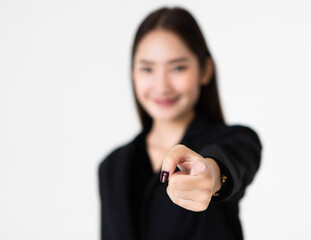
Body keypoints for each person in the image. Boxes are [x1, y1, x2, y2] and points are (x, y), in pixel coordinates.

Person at [98, 6, 262, 240]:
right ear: (133, 74)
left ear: (205, 70)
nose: (162, 86)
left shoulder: (237, 140)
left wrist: (213, 175)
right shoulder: (111, 167)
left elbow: (229, 162)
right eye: (147, 69)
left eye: (177, 67)